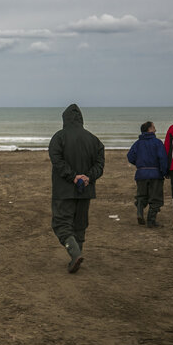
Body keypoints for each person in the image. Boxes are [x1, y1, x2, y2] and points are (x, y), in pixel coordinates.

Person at [48, 104, 105, 273]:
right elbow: (100, 164)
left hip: (64, 190)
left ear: (65, 119)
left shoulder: (59, 137)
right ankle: (76, 255)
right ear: (81, 119)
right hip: (85, 190)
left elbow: (56, 160)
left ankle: (75, 254)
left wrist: (73, 176)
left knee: (61, 224)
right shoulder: (94, 140)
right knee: (80, 225)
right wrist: (88, 176)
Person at [127, 121, 168, 228]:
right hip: (155, 174)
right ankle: (151, 221)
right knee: (155, 199)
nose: (155, 129)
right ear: (149, 129)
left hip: (141, 174)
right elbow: (163, 158)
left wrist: (140, 164)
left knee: (141, 196)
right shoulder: (157, 143)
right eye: (154, 127)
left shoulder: (137, 143)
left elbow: (130, 156)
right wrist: (165, 172)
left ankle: (140, 212)